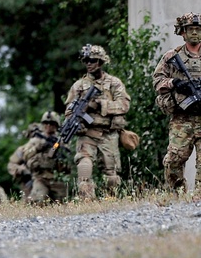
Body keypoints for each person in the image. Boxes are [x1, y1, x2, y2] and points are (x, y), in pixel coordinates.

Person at [64, 44, 130, 200]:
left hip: (109, 134)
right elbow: (68, 111)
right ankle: (88, 202)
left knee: (112, 176)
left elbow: (124, 105)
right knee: (84, 168)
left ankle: (110, 202)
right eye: (86, 60)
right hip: (87, 135)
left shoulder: (114, 83)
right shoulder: (79, 86)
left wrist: (100, 104)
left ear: (101, 62)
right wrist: (75, 122)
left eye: (92, 60)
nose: (88, 63)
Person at [153, 12, 201, 192]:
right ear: (183, 32)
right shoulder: (172, 57)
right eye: (191, 29)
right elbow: (157, 81)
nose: (195, 33)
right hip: (182, 118)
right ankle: (177, 195)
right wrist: (174, 83)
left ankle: (198, 200)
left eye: (198, 29)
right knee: (173, 160)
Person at [22, 111, 68, 204]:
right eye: (46, 123)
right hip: (41, 178)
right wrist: (37, 147)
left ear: (56, 125)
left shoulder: (61, 141)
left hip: (58, 179)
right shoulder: (36, 140)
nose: (48, 125)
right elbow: (26, 155)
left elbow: (68, 157)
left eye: (51, 123)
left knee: (62, 205)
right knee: (36, 202)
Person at [7, 123, 41, 198]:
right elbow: (11, 165)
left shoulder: (47, 146)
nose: (35, 135)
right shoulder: (22, 150)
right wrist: (21, 169)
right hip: (29, 183)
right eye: (33, 133)